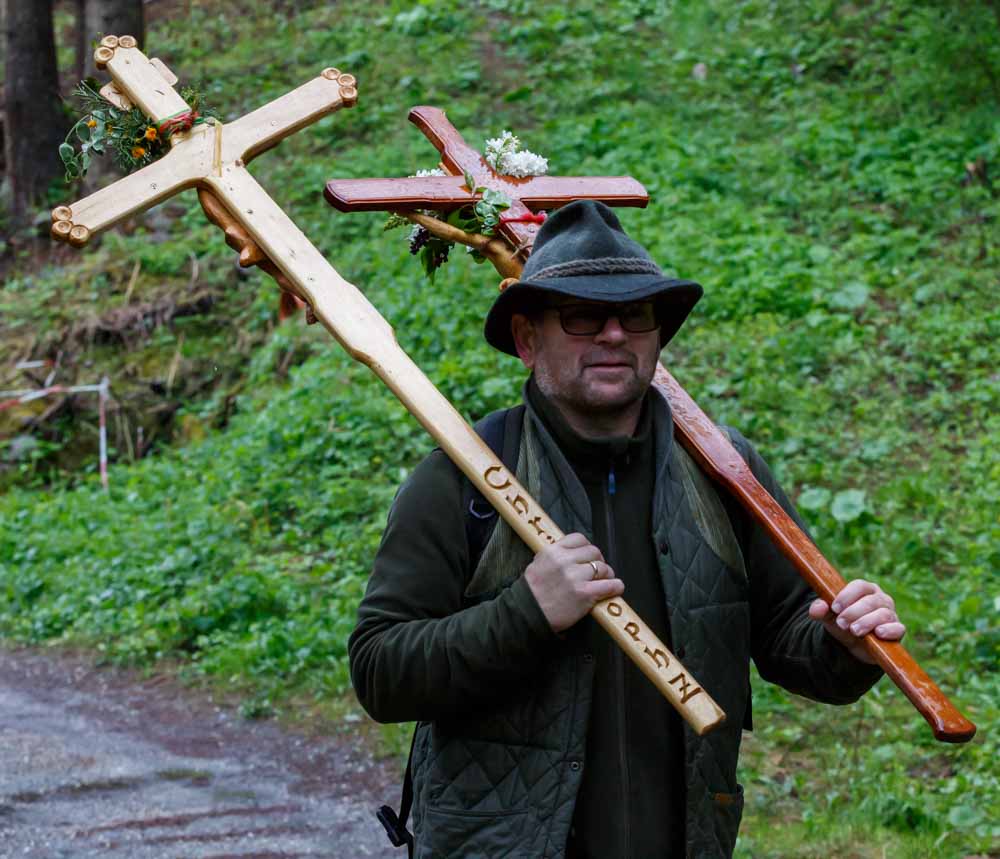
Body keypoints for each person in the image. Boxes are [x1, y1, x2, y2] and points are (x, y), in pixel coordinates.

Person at [348, 201, 905, 859]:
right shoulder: (464, 479)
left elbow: (790, 637)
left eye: (635, 314)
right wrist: (526, 613)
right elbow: (380, 670)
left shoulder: (725, 473)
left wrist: (845, 646)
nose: (614, 334)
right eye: (581, 316)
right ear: (527, 339)